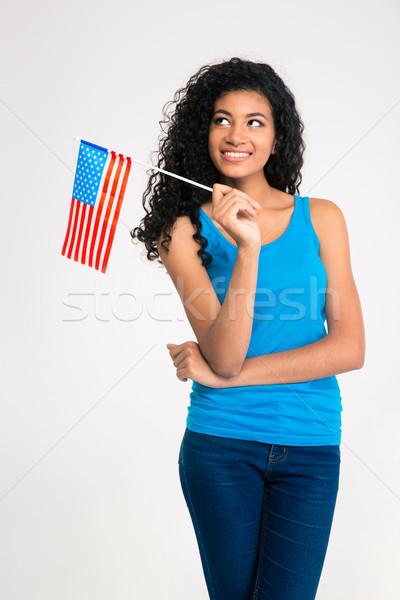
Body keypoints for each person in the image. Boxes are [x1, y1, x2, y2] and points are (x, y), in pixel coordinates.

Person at [130, 57, 366, 600]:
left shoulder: (323, 217)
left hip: (309, 447)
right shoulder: (181, 231)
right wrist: (249, 247)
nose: (237, 135)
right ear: (203, 132)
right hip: (221, 448)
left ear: (277, 137)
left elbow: (349, 347)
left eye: (255, 121)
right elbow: (226, 354)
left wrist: (224, 379)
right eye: (221, 119)